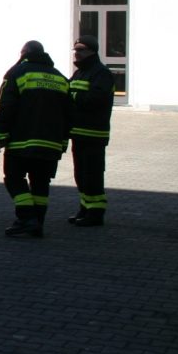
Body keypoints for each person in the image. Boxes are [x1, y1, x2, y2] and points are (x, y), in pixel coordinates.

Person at [0, 40, 71, 238]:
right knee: (41, 183)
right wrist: (63, 142)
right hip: (51, 143)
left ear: (24, 53)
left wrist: (1, 134)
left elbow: (6, 106)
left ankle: (27, 218)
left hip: (21, 141)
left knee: (14, 178)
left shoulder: (17, 73)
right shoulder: (60, 78)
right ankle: (38, 223)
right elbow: (69, 114)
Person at [67, 35, 115, 227]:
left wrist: (71, 97)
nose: (76, 53)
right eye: (75, 50)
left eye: (81, 50)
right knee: (81, 174)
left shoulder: (101, 73)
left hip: (94, 134)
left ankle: (96, 213)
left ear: (91, 52)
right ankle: (85, 207)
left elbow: (95, 100)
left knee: (92, 175)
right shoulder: (80, 73)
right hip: (78, 133)